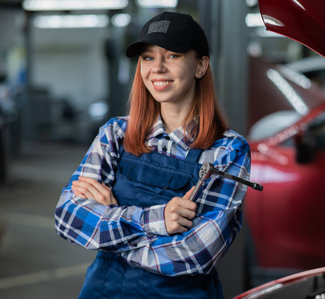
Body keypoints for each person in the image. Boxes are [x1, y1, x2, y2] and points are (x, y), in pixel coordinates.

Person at [54, 11, 251, 299]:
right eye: (147, 57)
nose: (157, 68)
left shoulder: (227, 151)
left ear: (200, 66)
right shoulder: (115, 134)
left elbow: (194, 255)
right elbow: (66, 217)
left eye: (172, 55)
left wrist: (107, 219)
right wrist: (156, 220)